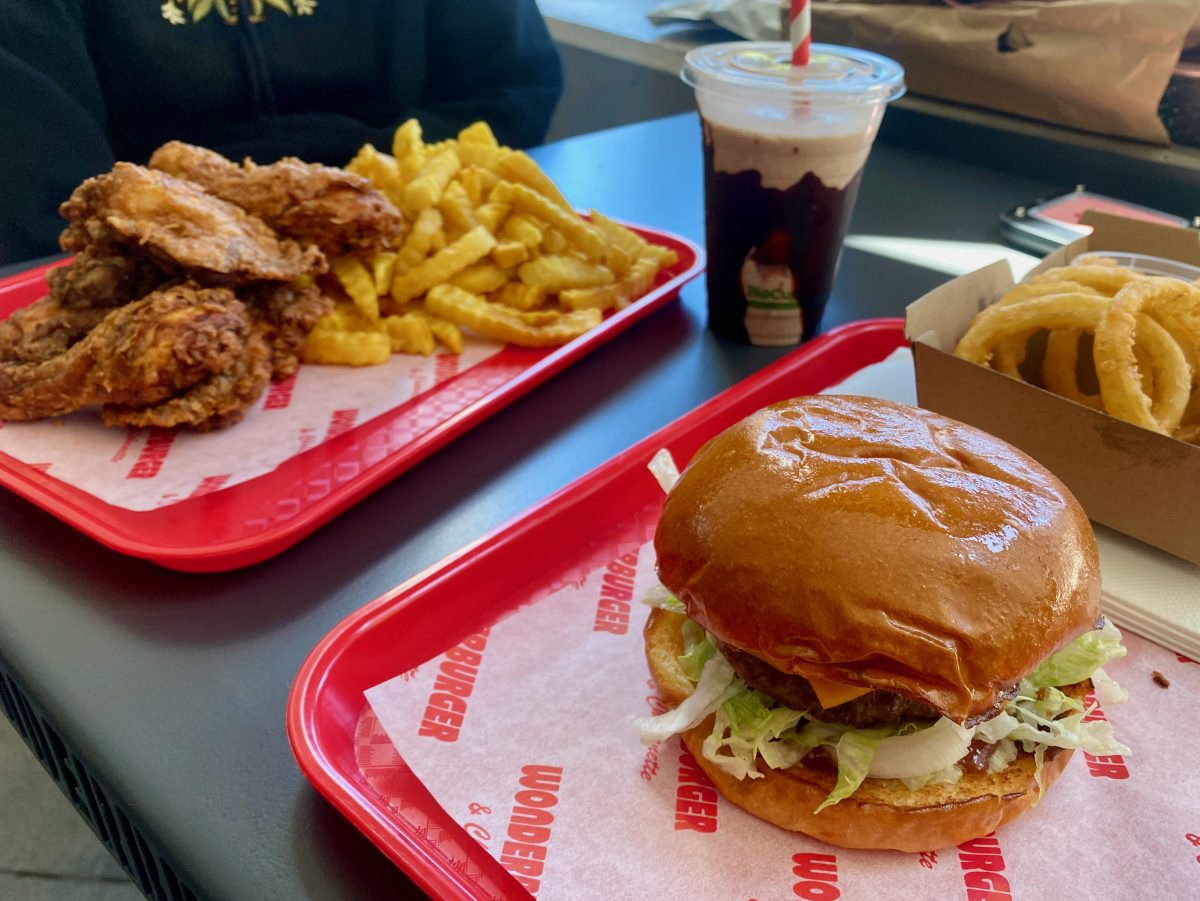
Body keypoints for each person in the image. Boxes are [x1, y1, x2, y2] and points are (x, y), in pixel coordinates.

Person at [0, 0, 563, 264]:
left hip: (422, 263)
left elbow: (510, 91)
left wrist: (360, 201)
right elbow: (39, 205)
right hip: (157, 275)